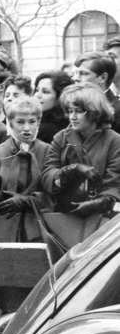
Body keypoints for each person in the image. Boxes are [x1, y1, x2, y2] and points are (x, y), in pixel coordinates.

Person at [0, 97, 49, 311]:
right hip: (3, 235)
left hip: (38, 235)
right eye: (20, 122)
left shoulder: (48, 153)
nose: (27, 128)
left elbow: (57, 195)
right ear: (9, 123)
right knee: (7, 300)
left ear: (39, 123)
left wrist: (27, 200)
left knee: (37, 300)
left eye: (32, 122)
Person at [41, 83, 120, 240]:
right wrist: (70, 170)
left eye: (79, 111)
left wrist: (101, 202)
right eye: (70, 111)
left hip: (101, 218)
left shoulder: (114, 141)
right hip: (63, 216)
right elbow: (47, 175)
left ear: (94, 112)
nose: (72, 117)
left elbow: (114, 183)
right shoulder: (61, 137)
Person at [73, 51, 120, 133]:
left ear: (102, 78)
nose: (75, 78)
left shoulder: (117, 112)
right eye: (75, 73)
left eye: (83, 73)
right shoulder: (73, 105)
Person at [33, 71, 73, 143]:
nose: (37, 95)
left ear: (60, 97)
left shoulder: (46, 130)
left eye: (45, 92)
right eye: (37, 90)